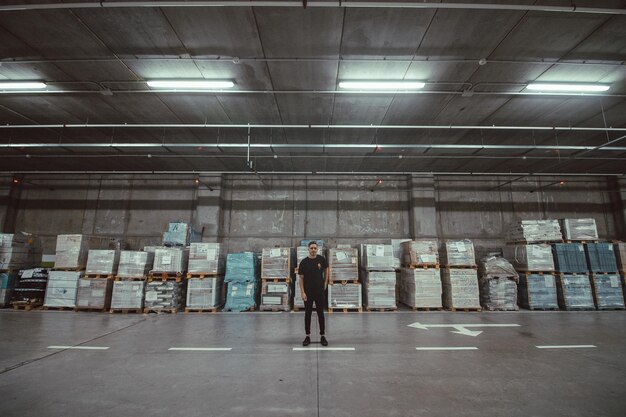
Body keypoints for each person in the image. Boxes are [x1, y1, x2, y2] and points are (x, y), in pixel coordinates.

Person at [298, 241, 329, 346]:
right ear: (308, 249)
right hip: (308, 293)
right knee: (308, 314)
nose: (313, 250)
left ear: (317, 249)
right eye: (311, 248)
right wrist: (302, 292)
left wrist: (325, 282)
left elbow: (326, 269)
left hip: (319, 292)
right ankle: (307, 336)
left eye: (315, 248)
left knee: (321, 313)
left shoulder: (321, 260)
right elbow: (301, 279)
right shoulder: (303, 262)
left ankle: (322, 336)